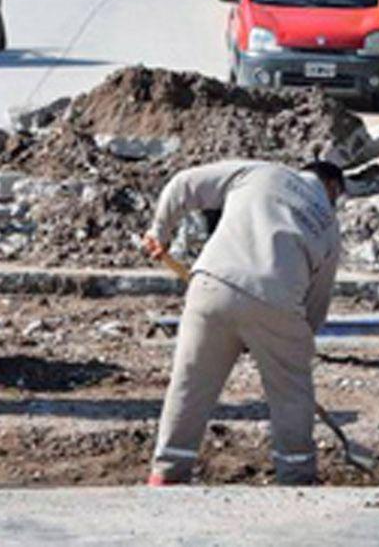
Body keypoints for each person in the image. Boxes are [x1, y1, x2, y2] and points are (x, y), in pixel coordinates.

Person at [141, 159, 344, 487]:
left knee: (190, 384)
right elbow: (314, 310)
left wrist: (159, 231)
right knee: (292, 395)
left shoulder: (261, 172)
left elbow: (183, 184)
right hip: (278, 302)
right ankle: (297, 479)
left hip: (211, 285)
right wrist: (285, 345)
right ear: (333, 188)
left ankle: (167, 473)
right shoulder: (330, 228)